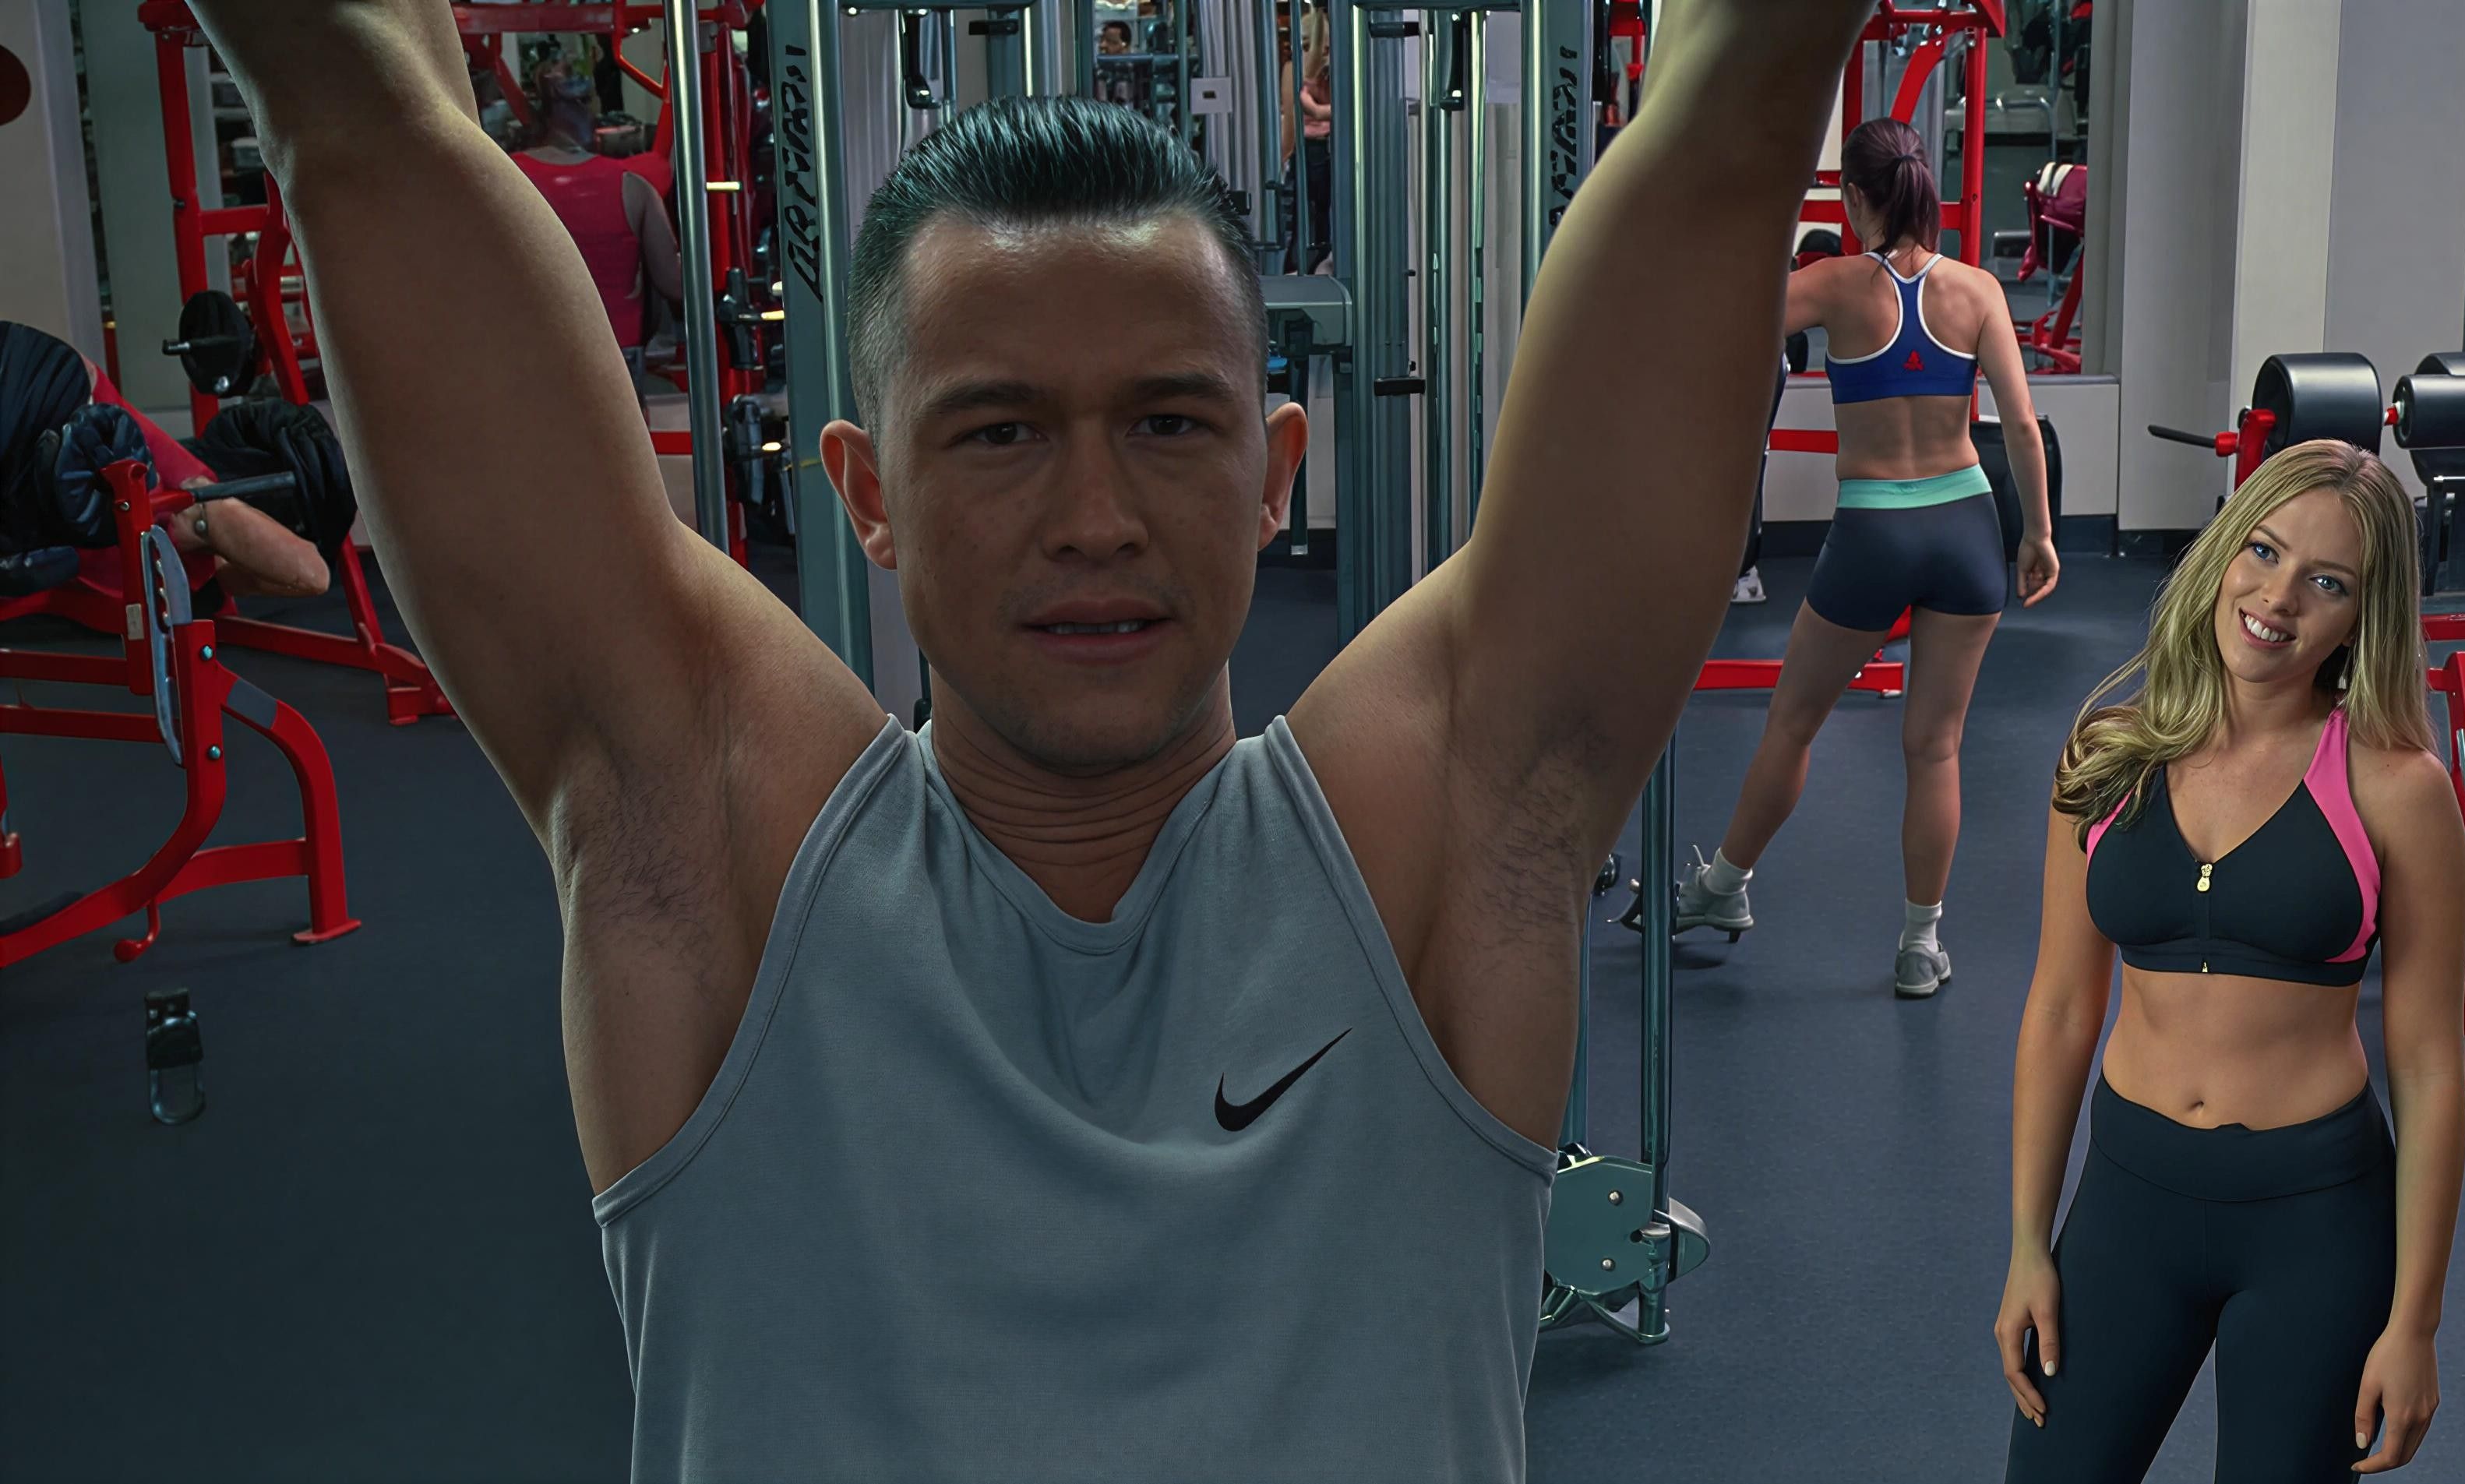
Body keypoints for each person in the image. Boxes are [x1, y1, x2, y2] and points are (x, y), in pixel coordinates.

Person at [180, 0, 1873, 1479]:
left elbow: (1736, 113)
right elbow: (361, 118)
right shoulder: (712, 851)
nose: (1093, 518)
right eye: (998, 434)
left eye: (1169, 424)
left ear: (1273, 469)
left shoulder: (1433, 846)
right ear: (867, 496)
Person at [1998, 442, 2465, 1480]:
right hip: (2129, 1203)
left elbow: (2431, 1066)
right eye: (2262, 551)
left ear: (2363, 616)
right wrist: (2029, 1241)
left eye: (2327, 581)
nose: (2277, 597)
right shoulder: (2108, 755)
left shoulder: (2398, 789)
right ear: (2221, 553)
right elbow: (2062, 1009)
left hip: (2314, 1221)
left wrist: (2415, 1322)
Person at [1667, 118, 2059, 998]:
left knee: (1794, 722)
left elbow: (1721, 323)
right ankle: (1921, 945)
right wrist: (2036, 534)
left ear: (1852, 197)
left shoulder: (1834, 286)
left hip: (1873, 532)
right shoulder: (1977, 290)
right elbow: (2020, 425)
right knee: (1936, 747)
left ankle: (1722, 885)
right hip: (1966, 529)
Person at [0, 321, 328, 600]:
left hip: (53, 418)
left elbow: (311, 576)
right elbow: (314, 576)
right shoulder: (183, 493)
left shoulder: (187, 548)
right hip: (51, 424)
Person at [509, 55, 680, 356]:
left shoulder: (505, 177)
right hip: (615, 359)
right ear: (586, 104)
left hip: (532, 356)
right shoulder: (633, 187)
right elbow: (675, 284)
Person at [1289, 4, 1333, 271]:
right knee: (1312, 211)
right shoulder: (1307, 75)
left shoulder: (1322, 74)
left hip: (1319, 150)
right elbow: (1315, 111)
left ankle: (1315, 259)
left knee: (1317, 211)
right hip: (1312, 149)